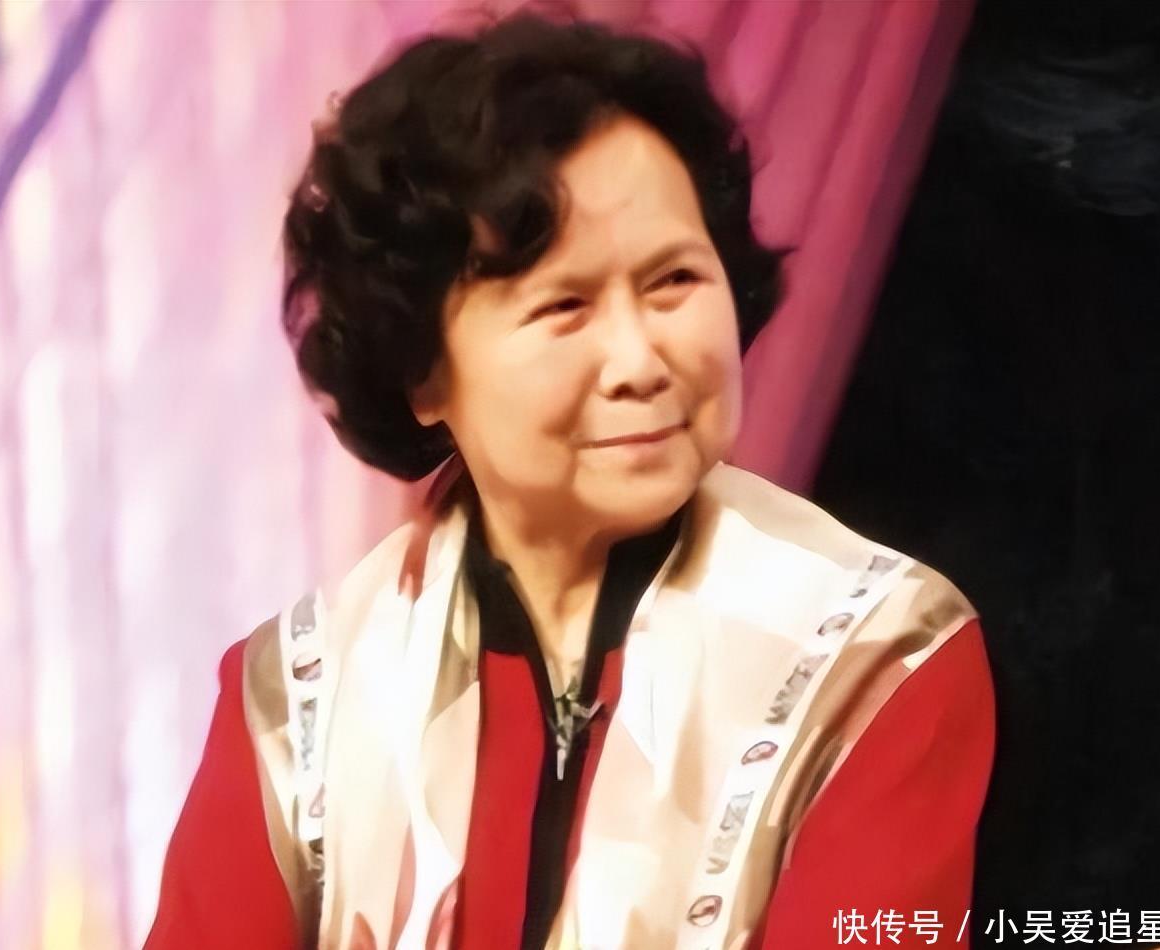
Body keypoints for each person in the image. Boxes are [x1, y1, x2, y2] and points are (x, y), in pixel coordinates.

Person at [146, 11, 995, 950]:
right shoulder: (298, 705)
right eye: (565, 306)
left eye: (673, 281)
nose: (640, 361)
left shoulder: (876, 653)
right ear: (421, 373)